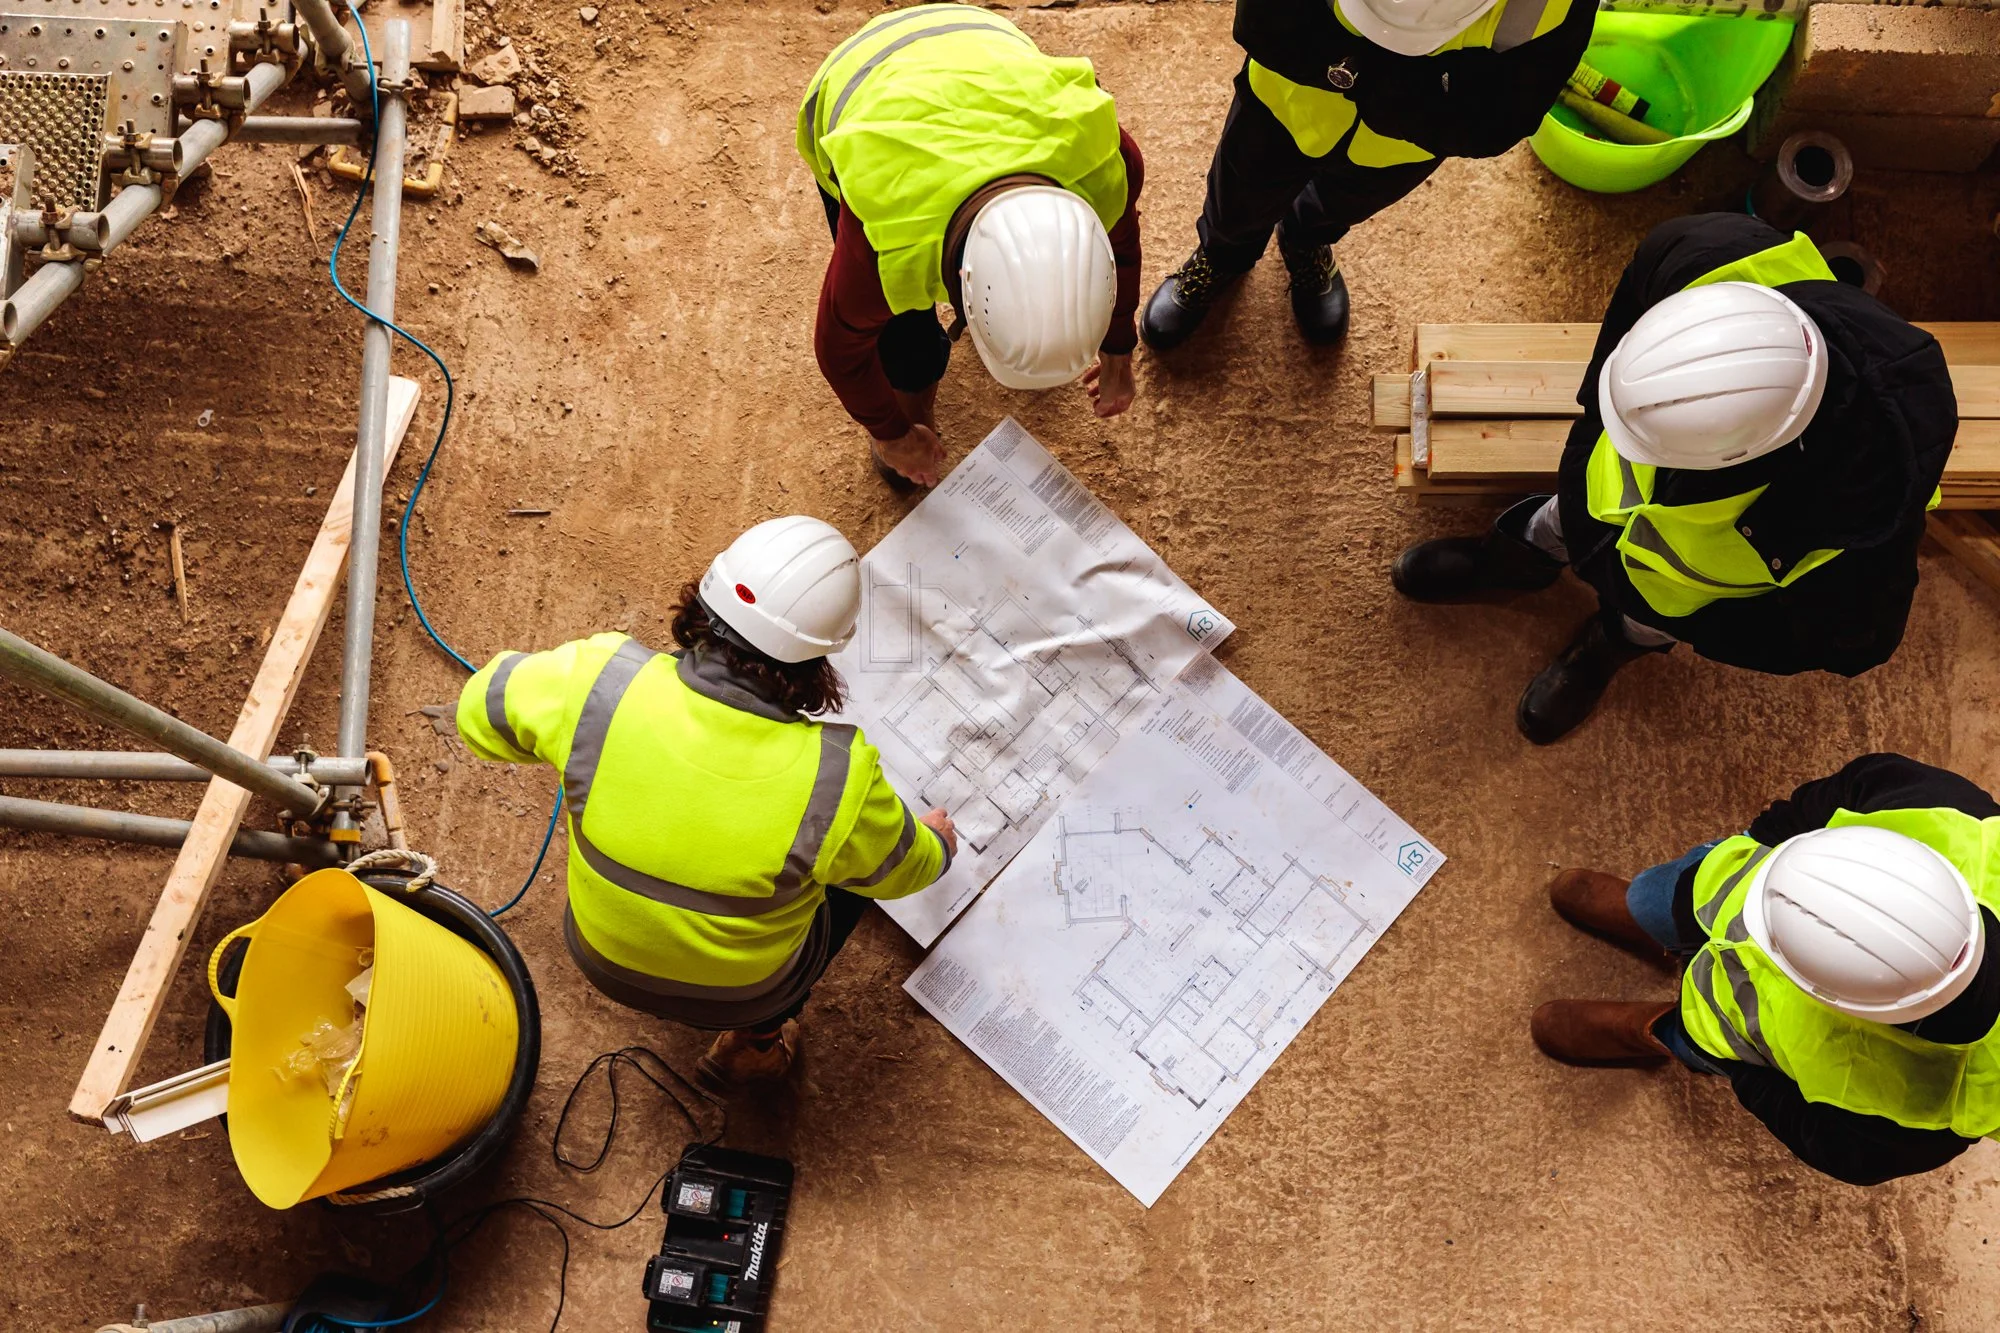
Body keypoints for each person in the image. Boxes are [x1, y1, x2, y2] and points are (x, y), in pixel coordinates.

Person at [1392, 214, 1958, 744]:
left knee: (1642, 620)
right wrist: (1597, 421)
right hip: (1590, 506)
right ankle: (1515, 558)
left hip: (1675, 596)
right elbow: (1628, 316)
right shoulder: (1711, 257)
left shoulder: (1865, 521)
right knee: (1564, 516)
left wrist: (1692, 625)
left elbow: (1851, 644)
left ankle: (1613, 642)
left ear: (1741, 454)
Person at [455, 516, 957, 1089]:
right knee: (851, 874)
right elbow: (906, 871)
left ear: (706, 600)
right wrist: (937, 844)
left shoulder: (598, 682)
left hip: (601, 959)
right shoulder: (837, 779)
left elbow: (478, 713)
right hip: (744, 995)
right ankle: (757, 1041)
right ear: (820, 663)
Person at [1532, 753, 2000, 1186]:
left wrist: (1740, 1071)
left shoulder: (1929, 1117)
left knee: (1692, 1037)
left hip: (1728, 1030)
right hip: (1716, 887)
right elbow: (1848, 788)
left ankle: (1650, 1031)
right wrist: (1763, 836)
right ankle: (1647, 916)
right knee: (1658, 895)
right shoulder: (1962, 823)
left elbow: (1824, 1141)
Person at [799, 2, 1144, 489]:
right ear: (957, 290)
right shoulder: (884, 242)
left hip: (982, 41)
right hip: (858, 84)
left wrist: (1117, 345)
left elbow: (1122, 251)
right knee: (903, 329)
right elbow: (840, 350)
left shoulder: (1107, 162)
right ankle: (913, 382)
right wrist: (892, 432)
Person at [1142, 0, 1593, 350]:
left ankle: (1306, 241)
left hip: (1393, 150)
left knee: (1340, 204)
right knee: (1241, 192)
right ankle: (1221, 256)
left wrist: (1347, 70)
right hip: (1285, 104)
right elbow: (1263, 20)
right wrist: (1414, 88)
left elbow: (1501, 122)